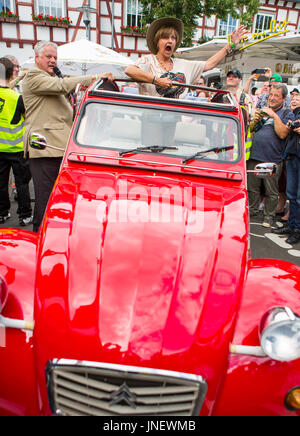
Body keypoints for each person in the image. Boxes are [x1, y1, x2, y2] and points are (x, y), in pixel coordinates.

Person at [22, 40, 114, 233]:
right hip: (44, 148)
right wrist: (95, 77)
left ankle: (52, 235)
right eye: (48, 56)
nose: (53, 60)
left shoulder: (50, 78)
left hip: (59, 148)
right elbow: (62, 86)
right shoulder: (33, 76)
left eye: (55, 57)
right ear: (37, 57)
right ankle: (39, 236)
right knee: (45, 199)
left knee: (58, 198)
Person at [125, 17, 247, 98]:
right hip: (151, 117)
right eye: (165, 38)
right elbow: (130, 70)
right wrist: (156, 80)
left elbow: (209, 64)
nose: (170, 41)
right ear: (157, 42)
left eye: (173, 38)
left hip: (175, 118)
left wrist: (230, 45)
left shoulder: (183, 64)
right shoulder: (148, 60)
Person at [247, 83, 294, 228]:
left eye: (276, 96)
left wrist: (273, 116)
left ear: (284, 98)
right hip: (255, 155)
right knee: (253, 187)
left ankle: (269, 216)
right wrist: (255, 120)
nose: (272, 98)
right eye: (271, 95)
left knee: (271, 191)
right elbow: (251, 130)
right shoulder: (262, 110)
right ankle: (252, 211)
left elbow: (282, 134)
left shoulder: (287, 114)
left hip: (272, 158)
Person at [0, 57, 32, 225]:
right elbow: (28, 119)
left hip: (0, 149)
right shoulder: (16, 98)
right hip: (17, 148)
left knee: (1, 183)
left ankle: (2, 212)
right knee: (21, 184)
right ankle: (25, 215)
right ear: (11, 75)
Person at [272, 92, 300, 244]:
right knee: (292, 195)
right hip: (293, 156)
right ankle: (292, 226)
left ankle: (297, 230)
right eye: (293, 98)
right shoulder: (293, 114)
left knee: (299, 197)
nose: (294, 100)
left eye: (298, 99)